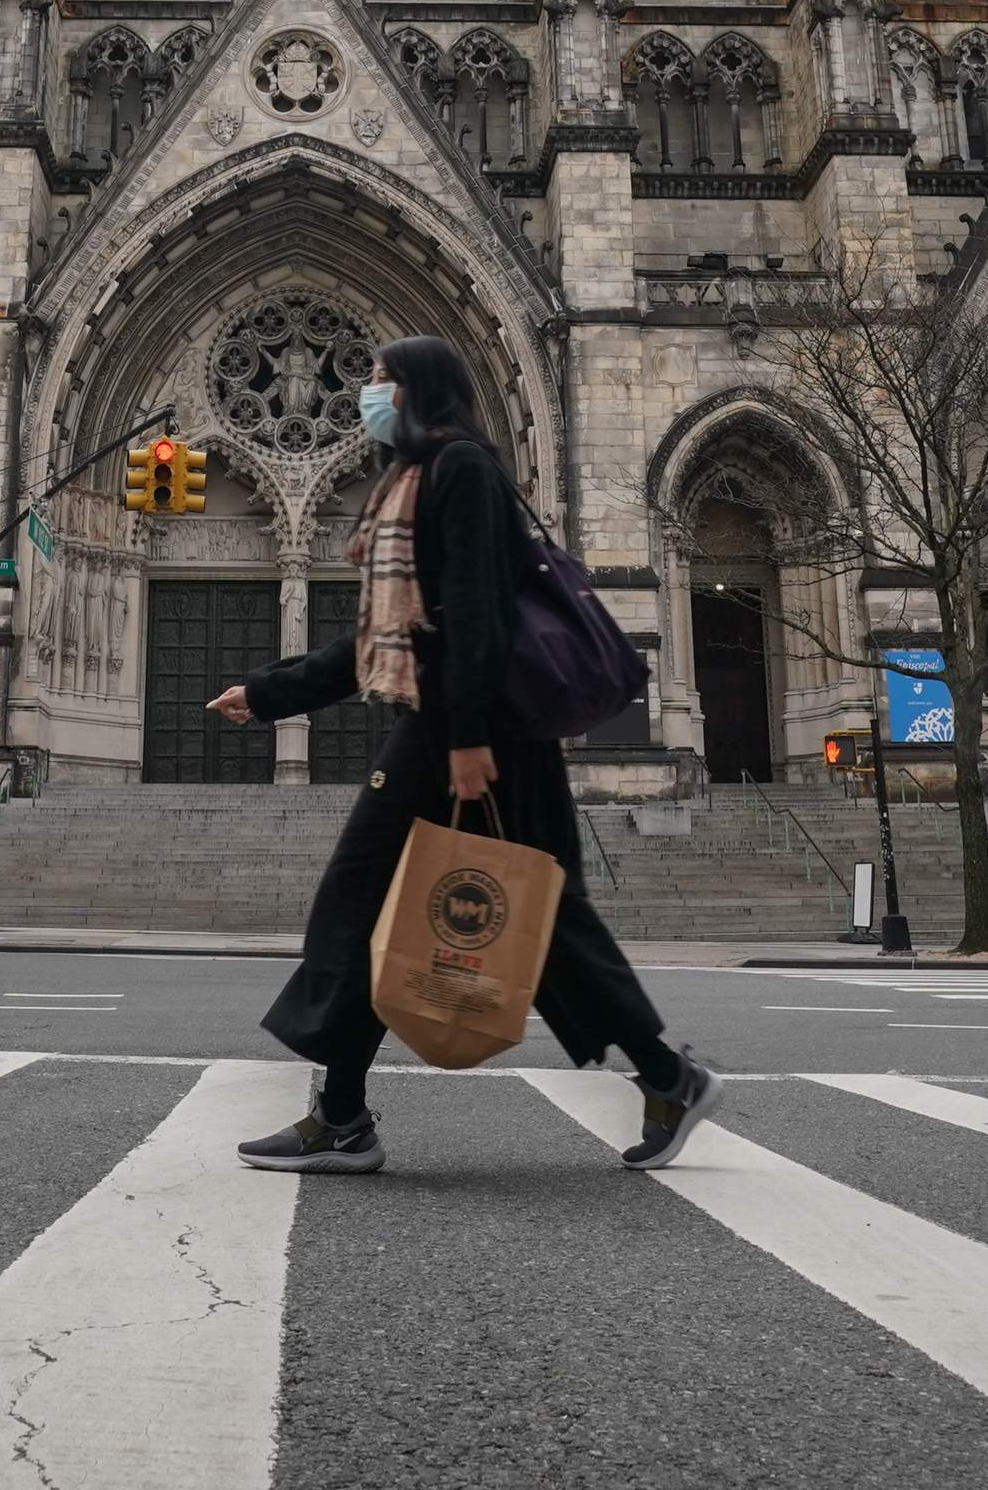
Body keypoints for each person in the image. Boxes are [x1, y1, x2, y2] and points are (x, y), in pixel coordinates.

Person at [209, 334, 723, 1176]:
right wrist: (268, 693)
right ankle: (666, 1077)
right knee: (532, 919)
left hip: (478, 737)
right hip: (453, 725)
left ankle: (344, 1118)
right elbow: (391, 632)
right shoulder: (413, 483)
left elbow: (479, 615)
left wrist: (469, 739)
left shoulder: (463, 473)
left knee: (385, 900)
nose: (366, 393)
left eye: (378, 379)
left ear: (418, 389)